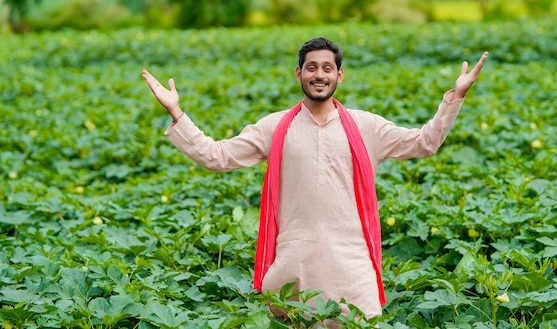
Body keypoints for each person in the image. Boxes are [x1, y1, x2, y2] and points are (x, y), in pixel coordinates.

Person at [142, 37, 488, 324]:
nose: (319, 75)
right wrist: (177, 112)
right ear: (298, 74)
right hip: (294, 266)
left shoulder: (367, 126)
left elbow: (424, 143)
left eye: (327, 68)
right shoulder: (275, 126)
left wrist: (455, 97)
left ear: (340, 75)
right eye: (311, 68)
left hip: (353, 267)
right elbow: (217, 157)